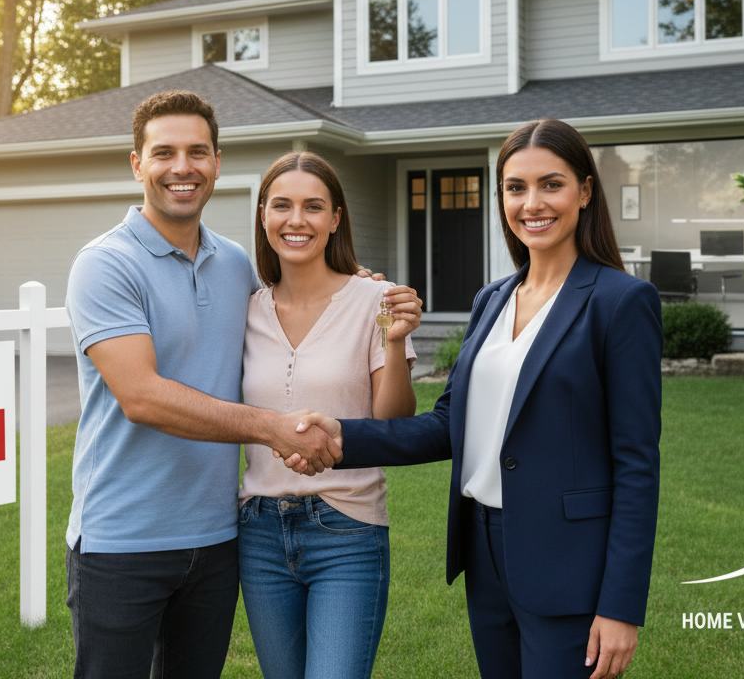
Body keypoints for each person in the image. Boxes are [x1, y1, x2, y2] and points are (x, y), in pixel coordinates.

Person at [289, 118, 663, 679]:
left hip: (568, 561)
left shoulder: (621, 301)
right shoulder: (493, 298)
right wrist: (343, 437)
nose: (532, 203)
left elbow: (636, 464)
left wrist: (621, 606)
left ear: (585, 191)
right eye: (515, 188)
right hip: (485, 552)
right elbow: (450, 423)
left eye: (551, 184)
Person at [63, 90, 347, 678]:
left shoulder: (236, 263)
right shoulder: (105, 263)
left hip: (217, 540)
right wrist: (270, 428)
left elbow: (292, 313)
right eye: (163, 153)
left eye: (197, 152)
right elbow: (142, 396)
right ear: (137, 164)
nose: (182, 167)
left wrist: (361, 291)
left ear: (217, 162)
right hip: (122, 542)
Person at [237, 152, 421, 679]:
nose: (296, 220)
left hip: (346, 527)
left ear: (336, 218)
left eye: (313, 207)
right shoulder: (246, 310)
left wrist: (394, 341)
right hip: (259, 532)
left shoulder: (376, 299)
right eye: (282, 206)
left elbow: (392, 421)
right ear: (263, 216)